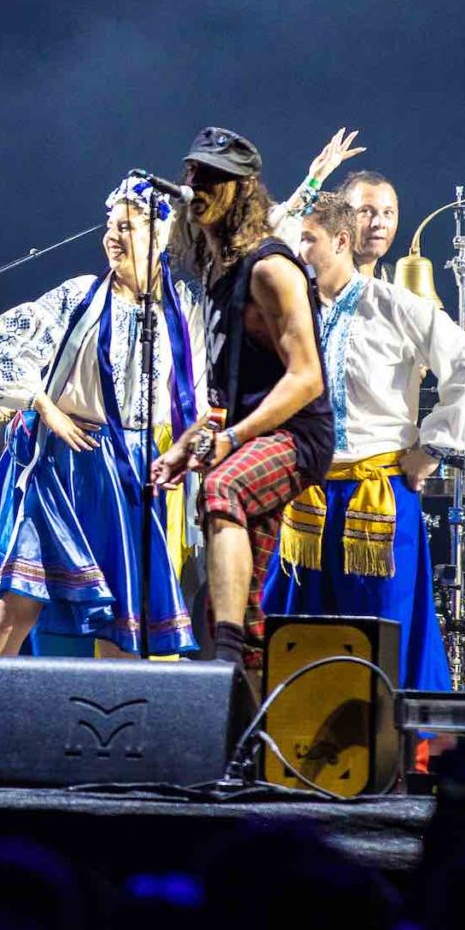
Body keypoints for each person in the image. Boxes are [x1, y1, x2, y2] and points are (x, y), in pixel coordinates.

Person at [0, 174, 207, 686]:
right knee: (19, 601)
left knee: (125, 621)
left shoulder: (177, 313)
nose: (112, 236)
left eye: (126, 227)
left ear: (158, 238)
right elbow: (4, 345)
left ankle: (109, 738)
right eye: (109, 225)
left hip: (128, 473)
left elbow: (195, 394)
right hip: (61, 466)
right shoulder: (80, 297)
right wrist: (47, 409)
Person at [263, 198, 465, 692]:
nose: (298, 250)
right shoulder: (293, 310)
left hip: (377, 492)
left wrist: (431, 448)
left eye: (309, 240)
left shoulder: (393, 304)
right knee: (291, 625)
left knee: (383, 628)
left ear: (341, 242)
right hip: (306, 493)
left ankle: (391, 750)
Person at [152, 128, 333, 684]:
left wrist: (230, 441)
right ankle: (244, 746)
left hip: (297, 437)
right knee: (238, 603)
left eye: (211, 178)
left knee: (221, 488)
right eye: (191, 174)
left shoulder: (270, 269)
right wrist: (191, 443)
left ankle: (225, 662)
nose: (195, 187)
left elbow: (306, 380)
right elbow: (226, 393)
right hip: (251, 436)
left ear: (243, 190)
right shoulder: (216, 273)